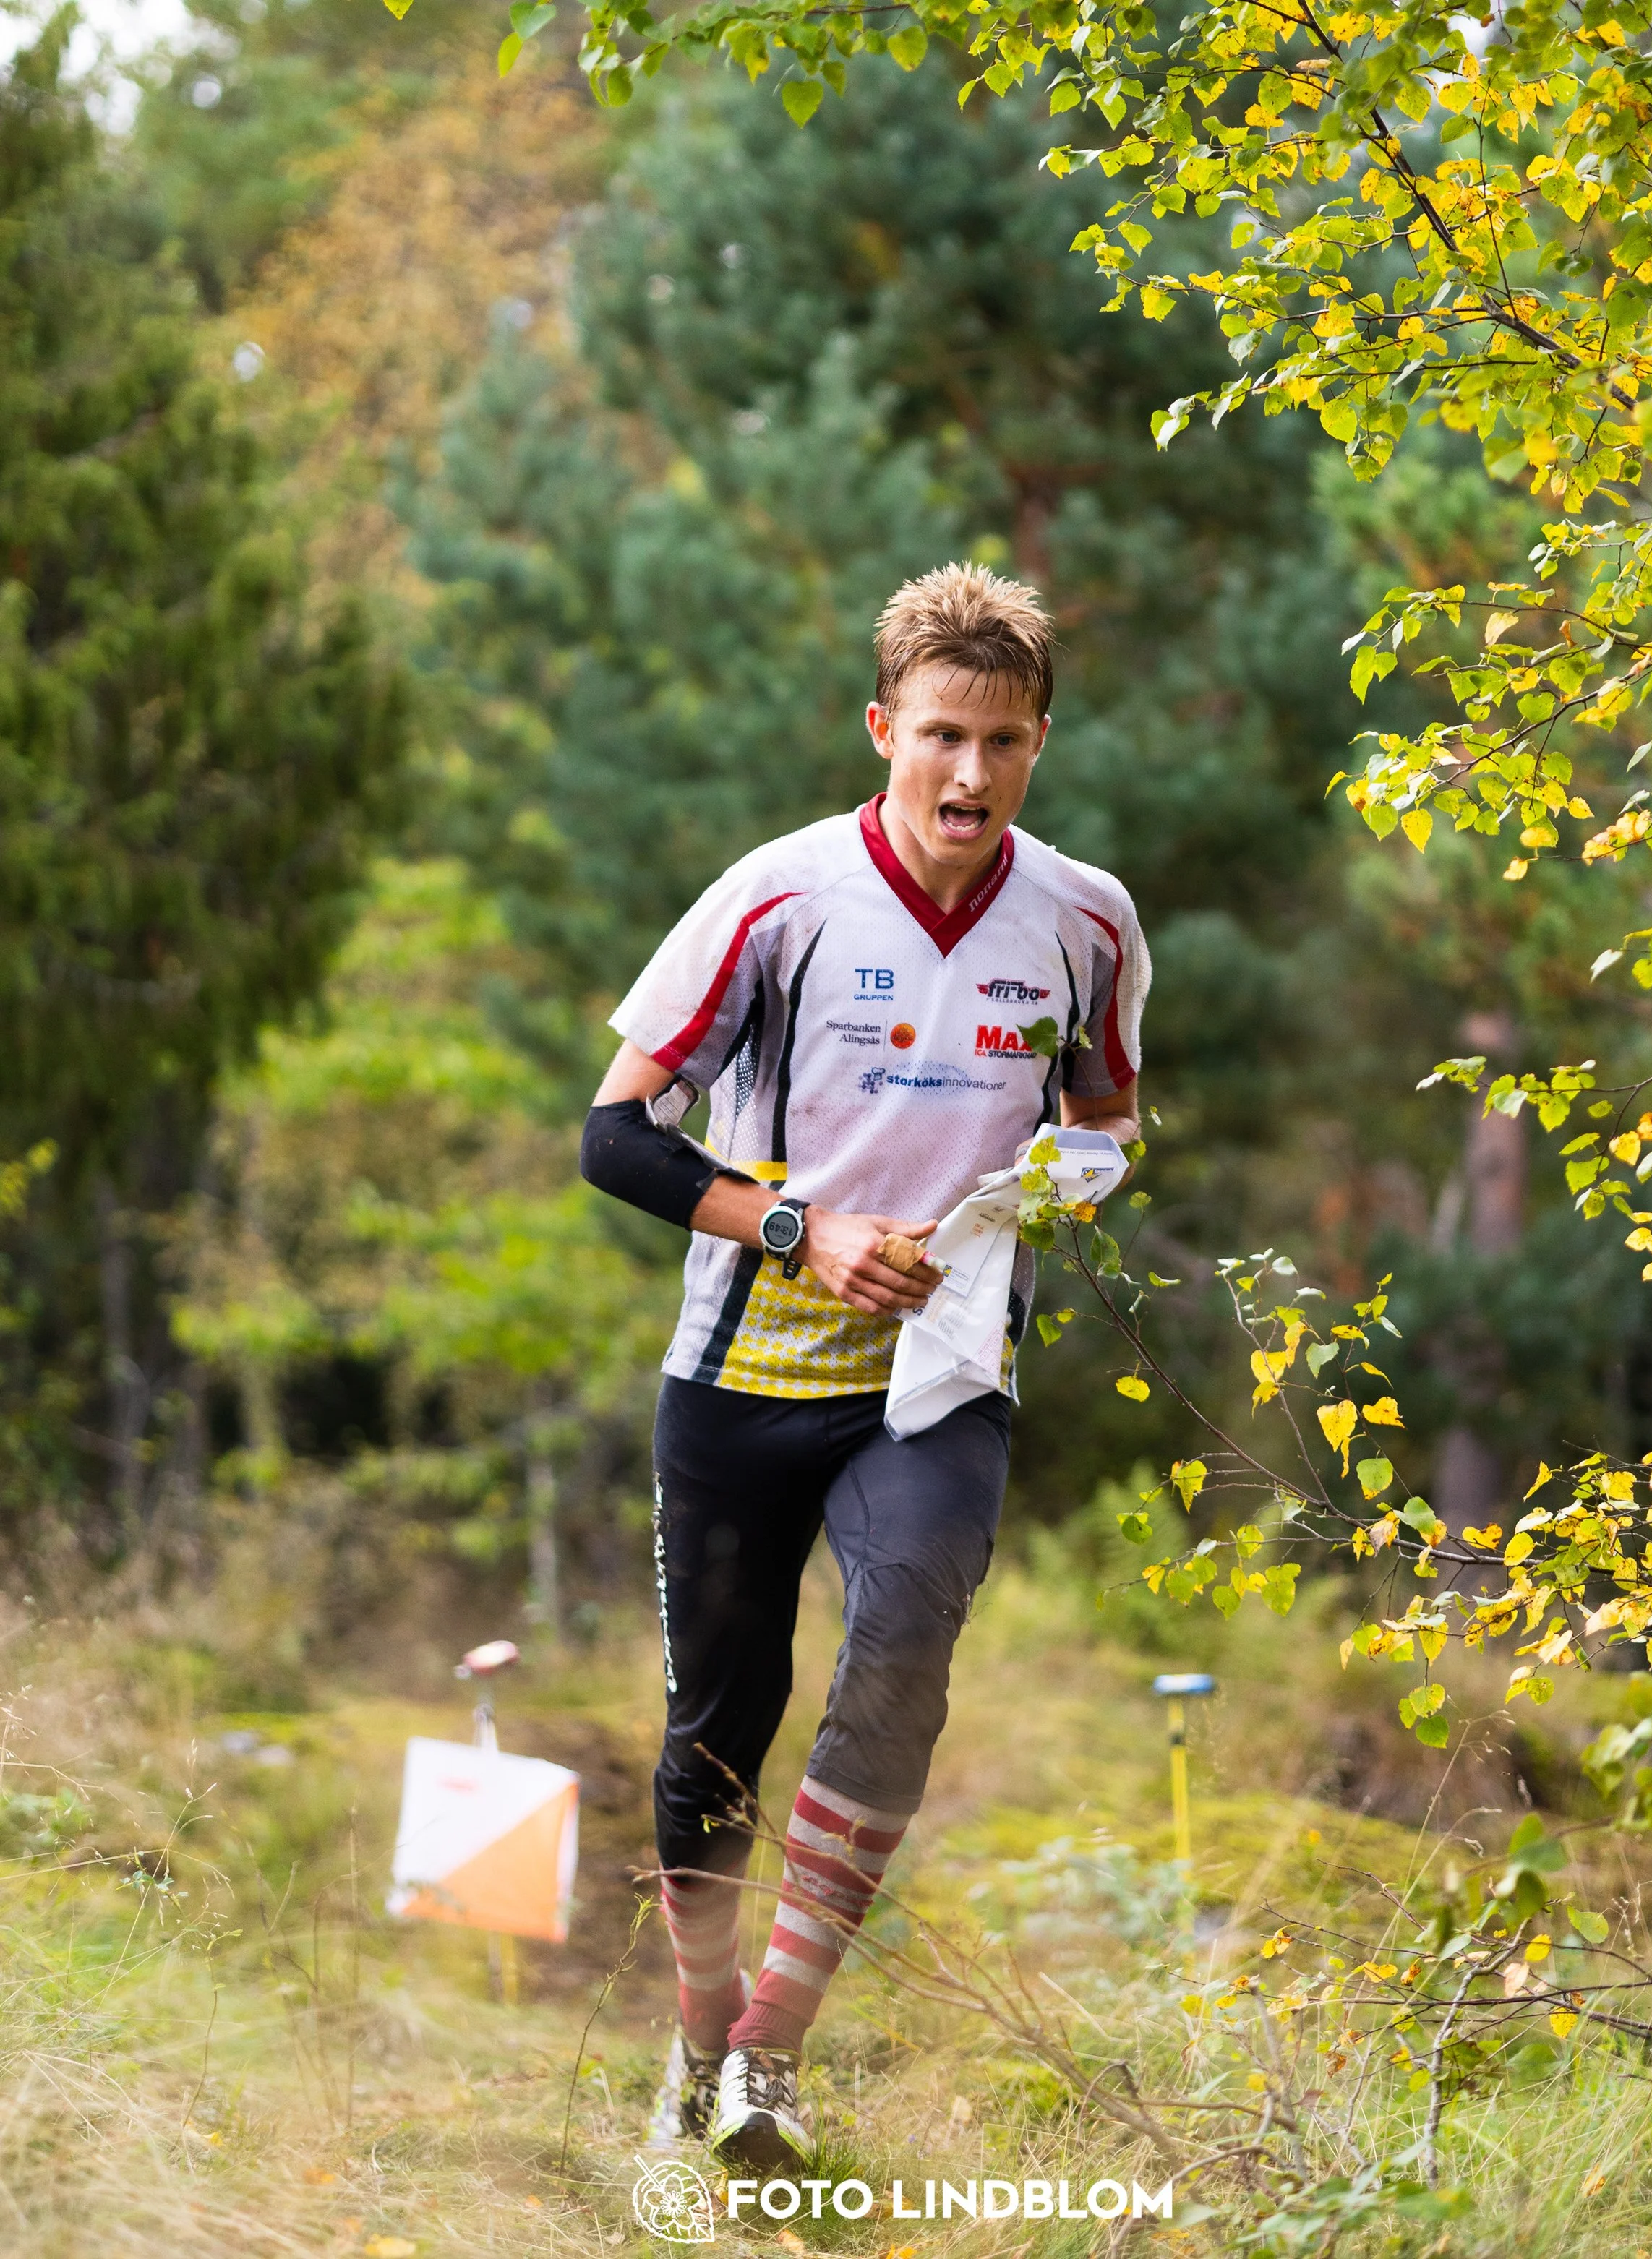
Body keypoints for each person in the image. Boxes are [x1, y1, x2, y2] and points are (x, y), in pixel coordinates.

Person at [579, 562, 1148, 2169]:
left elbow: (1103, 1125)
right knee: (717, 1724)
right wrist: (796, 1229)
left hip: (942, 1370)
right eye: (943, 736)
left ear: (1039, 743)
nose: (971, 775)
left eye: (1007, 741)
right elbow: (615, 1135)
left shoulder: (1087, 917)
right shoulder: (777, 896)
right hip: (742, 1362)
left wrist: (1012, 1209)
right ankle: (693, 2045)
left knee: (898, 1654)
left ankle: (769, 2050)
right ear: (882, 725)